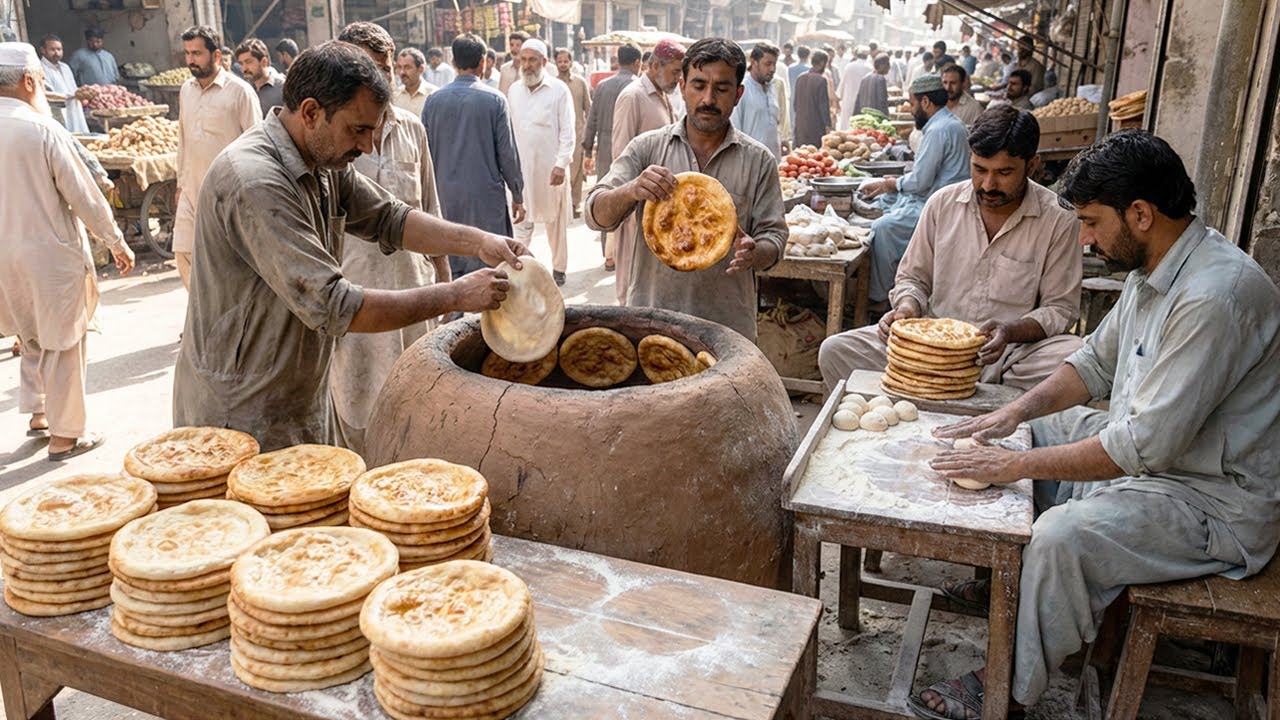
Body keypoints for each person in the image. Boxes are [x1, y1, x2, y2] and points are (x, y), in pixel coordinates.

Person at [911, 129, 1280, 720]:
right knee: (1028, 430)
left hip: (1214, 503)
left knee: (1064, 536)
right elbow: (1094, 363)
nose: (1083, 238)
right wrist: (1011, 414)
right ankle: (1015, 579)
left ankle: (1007, 689)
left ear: (1139, 214)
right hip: (1162, 463)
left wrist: (1012, 463)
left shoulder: (1214, 297)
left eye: (1090, 222)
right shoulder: (1155, 269)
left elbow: (1141, 446)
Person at [173, 41, 525, 451]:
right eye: (358, 130)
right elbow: (333, 305)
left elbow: (388, 217)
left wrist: (481, 241)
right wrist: (455, 295)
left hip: (297, 394)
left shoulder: (321, 160)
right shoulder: (256, 180)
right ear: (310, 112)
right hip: (239, 410)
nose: (367, 147)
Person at [819, 105, 1082, 394]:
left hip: (1009, 355)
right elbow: (913, 279)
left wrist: (1010, 332)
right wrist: (907, 308)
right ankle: (923, 400)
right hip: (932, 346)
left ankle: (986, 403)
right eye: (979, 169)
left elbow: (1060, 308)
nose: (988, 184)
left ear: (1032, 166)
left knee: (1074, 356)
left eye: (1004, 173)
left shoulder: (1059, 218)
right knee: (835, 350)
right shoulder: (941, 204)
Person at [586, 38, 786, 341]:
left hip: (728, 332)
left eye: (721, 88)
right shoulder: (646, 149)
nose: (708, 98)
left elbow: (775, 239)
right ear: (682, 87)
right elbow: (595, 214)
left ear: (738, 94)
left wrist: (754, 252)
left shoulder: (758, 161)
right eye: (698, 85)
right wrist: (631, 190)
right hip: (653, 324)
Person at [0, 41, 135, 460]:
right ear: (27, 81)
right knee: (63, 341)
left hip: (5, 256)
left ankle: (40, 412)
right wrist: (114, 240)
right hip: (49, 254)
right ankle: (65, 436)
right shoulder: (43, 129)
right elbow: (84, 196)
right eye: (39, 80)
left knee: (31, 331)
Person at [330, 23, 450, 456]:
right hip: (354, 293)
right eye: (360, 69)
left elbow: (427, 206)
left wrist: (444, 278)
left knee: (416, 401)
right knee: (356, 405)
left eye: (381, 69)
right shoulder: (327, 140)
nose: (373, 81)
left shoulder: (412, 128)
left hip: (412, 287)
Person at [858, 74, 969, 309]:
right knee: (885, 202)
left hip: (939, 207)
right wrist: (892, 186)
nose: (910, 109)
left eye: (913, 103)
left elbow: (920, 181)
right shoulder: (949, 122)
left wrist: (892, 183)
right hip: (939, 197)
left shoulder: (939, 130)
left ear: (926, 102)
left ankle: (880, 298)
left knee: (881, 229)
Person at [422, 33, 525, 279]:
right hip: (485, 201)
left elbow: (424, 156)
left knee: (452, 272)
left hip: (445, 198)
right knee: (494, 271)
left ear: (454, 62)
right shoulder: (494, 100)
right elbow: (507, 154)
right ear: (483, 62)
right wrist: (518, 194)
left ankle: (455, 316)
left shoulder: (433, 101)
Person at [173, 26, 261, 291]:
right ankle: (202, 316)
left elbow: (258, 144)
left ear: (217, 56)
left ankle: (225, 322)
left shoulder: (240, 92)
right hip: (191, 192)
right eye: (188, 54)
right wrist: (180, 183)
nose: (191, 60)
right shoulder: (186, 90)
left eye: (197, 53)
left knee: (226, 265)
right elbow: (183, 139)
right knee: (184, 254)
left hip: (228, 194)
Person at [611, 38, 686, 304]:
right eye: (675, 71)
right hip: (636, 204)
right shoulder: (633, 97)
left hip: (659, 205)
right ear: (655, 66)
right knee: (630, 276)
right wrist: (630, 196)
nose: (679, 78)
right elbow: (620, 156)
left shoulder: (663, 96)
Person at [507, 39, 575, 286]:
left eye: (532, 59)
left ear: (544, 62)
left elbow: (568, 132)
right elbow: (510, 131)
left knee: (554, 223)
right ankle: (518, 266)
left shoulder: (558, 90)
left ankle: (559, 268)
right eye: (523, 59)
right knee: (521, 221)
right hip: (522, 170)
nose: (526, 65)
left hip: (550, 170)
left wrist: (561, 164)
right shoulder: (514, 90)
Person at [582, 43, 642, 272]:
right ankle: (623, 257)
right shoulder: (637, 88)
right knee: (627, 204)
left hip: (606, 151)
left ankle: (608, 256)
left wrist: (588, 151)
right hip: (631, 152)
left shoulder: (603, 86)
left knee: (606, 197)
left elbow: (592, 121)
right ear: (637, 62)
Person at [554, 47, 591, 219]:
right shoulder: (552, 84)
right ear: (555, 63)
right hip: (556, 135)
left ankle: (575, 203)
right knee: (560, 167)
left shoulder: (580, 83)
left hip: (577, 134)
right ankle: (560, 203)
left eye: (565, 61)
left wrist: (590, 136)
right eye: (560, 61)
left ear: (571, 62)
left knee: (576, 170)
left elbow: (589, 109)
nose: (563, 64)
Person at [731, 42, 784, 160]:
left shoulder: (772, 88)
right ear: (753, 62)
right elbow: (735, 129)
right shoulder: (742, 88)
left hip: (773, 160)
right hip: (750, 161)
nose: (772, 69)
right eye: (768, 64)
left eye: (774, 64)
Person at [38, 34, 87, 133]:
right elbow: (47, 95)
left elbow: (74, 88)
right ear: (43, 50)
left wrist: (82, 93)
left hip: (74, 110)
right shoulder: (39, 69)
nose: (57, 53)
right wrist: (73, 95)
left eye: (59, 49)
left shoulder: (65, 67)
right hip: (57, 113)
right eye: (52, 49)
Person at [234, 38, 284, 118]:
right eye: (241, 64)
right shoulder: (243, 90)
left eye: (248, 62)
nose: (244, 68)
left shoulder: (282, 88)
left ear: (264, 61)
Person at [792, 50, 831, 149]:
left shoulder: (800, 78)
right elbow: (824, 107)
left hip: (800, 125)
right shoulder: (821, 81)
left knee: (801, 155)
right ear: (822, 63)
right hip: (815, 127)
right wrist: (828, 125)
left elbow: (795, 104)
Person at [393, 48, 436, 117]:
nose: (402, 72)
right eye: (399, 67)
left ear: (420, 69)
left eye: (407, 67)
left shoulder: (433, 96)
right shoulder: (395, 96)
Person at [836, 49, 870, 131]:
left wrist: (838, 98)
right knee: (860, 126)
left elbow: (842, 83)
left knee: (846, 126)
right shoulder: (869, 67)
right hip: (864, 100)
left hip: (848, 98)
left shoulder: (849, 66)